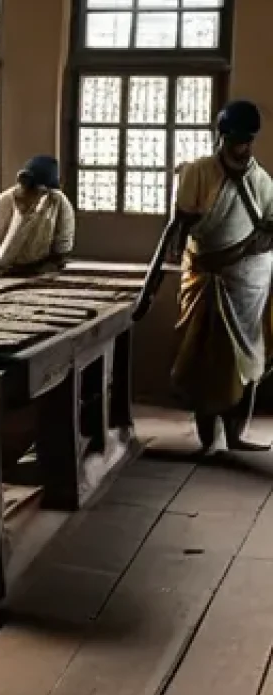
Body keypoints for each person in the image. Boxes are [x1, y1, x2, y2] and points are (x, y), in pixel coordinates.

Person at [135, 100, 273, 454]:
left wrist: (251, 248)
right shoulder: (197, 172)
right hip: (206, 277)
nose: (242, 148)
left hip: (250, 283)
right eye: (235, 141)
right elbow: (181, 222)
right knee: (202, 356)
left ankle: (237, 434)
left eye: (247, 141)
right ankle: (208, 440)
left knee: (247, 359)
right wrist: (171, 252)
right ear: (222, 137)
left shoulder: (261, 180)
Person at [0, 155, 75, 277]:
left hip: (35, 267)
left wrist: (49, 264)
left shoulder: (59, 203)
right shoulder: (6, 201)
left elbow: (63, 243)